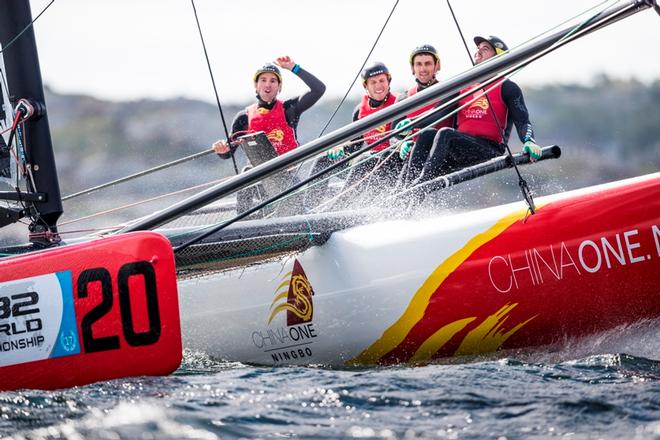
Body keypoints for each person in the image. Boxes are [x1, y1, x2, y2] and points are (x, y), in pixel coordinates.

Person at [409, 36, 542, 188]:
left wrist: (529, 141)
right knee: (426, 134)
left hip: (488, 149)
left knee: (445, 133)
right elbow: (437, 113)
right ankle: (404, 188)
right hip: (460, 146)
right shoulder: (463, 86)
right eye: (478, 49)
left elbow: (522, 121)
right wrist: (411, 124)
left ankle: (422, 185)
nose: (478, 52)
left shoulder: (508, 87)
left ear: (499, 57)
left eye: (485, 49)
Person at [213, 56, 325, 159]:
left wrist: (294, 68)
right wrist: (221, 149)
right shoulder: (243, 117)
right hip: (259, 175)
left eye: (273, 80)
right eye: (263, 80)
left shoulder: (289, 109)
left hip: (290, 175)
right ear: (256, 85)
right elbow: (228, 153)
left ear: (279, 87)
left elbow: (319, 89)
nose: (268, 84)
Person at [324, 61, 401, 205]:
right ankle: (308, 205)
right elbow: (354, 145)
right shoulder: (360, 111)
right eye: (373, 82)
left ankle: (340, 206)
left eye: (382, 80)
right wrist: (340, 148)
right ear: (366, 86)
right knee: (324, 158)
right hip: (370, 163)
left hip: (393, 161)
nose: (379, 86)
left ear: (388, 81)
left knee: (364, 159)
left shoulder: (399, 102)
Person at [393, 44, 457, 187]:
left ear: (436, 66)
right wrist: (402, 143)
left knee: (425, 136)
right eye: (418, 64)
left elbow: (437, 114)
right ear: (412, 68)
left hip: (437, 153)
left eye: (428, 63)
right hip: (411, 151)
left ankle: (405, 197)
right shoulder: (404, 97)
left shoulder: (449, 91)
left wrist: (411, 123)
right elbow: (394, 133)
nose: (423, 69)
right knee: (383, 157)